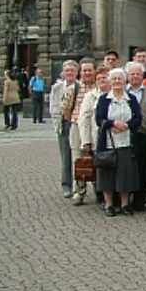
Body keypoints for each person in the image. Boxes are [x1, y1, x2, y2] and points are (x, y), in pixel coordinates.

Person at [95, 68, 142, 217]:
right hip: (109, 143)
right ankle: (109, 204)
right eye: (114, 79)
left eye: (119, 79)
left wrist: (126, 125)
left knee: (125, 174)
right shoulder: (103, 100)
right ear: (109, 81)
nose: (117, 82)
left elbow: (138, 119)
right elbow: (99, 119)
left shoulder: (131, 99)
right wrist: (112, 123)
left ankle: (125, 204)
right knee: (107, 174)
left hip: (127, 142)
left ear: (125, 81)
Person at [62, 57, 97, 205]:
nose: (87, 73)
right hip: (77, 127)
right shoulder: (73, 88)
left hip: (95, 127)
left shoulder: (99, 87)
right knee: (78, 160)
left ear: (94, 71)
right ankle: (79, 191)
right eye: (84, 70)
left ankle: (99, 190)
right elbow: (65, 109)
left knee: (97, 158)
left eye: (90, 70)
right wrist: (75, 121)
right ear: (80, 72)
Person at [125, 61, 146, 211]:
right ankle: (125, 199)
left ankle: (140, 199)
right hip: (125, 135)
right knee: (127, 168)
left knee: (143, 168)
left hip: (144, 133)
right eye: (132, 74)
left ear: (143, 75)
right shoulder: (122, 90)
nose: (135, 77)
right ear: (127, 76)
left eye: (138, 74)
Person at [50, 60, 78, 197]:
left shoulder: (81, 87)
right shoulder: (57, 88)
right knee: (65, 157)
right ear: (63, 72)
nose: (69, 73)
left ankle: (80, 186)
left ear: (76, 72)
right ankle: (66, 185)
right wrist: (56, 124)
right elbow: (53, 107)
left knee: (80, 156)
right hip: (64, 124)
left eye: (72, 70)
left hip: (77, 124)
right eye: (67, 70)